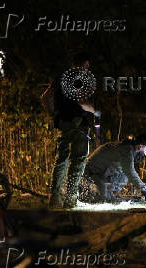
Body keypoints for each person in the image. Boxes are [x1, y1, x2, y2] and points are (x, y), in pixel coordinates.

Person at [47, 52, 101, 209]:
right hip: (78, 124)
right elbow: (81, 101)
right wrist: (95, 110)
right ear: (84, 64)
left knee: (61, 159)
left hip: (63, 124)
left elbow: (46, 98)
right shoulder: (79, 78)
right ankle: (71, 199)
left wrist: (55, 115)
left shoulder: (59, 79)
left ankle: (54, 197)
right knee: (78, 161)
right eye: (87, 66)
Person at [81, 135, 146, 203]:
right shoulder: (127, 150)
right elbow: (130, 172)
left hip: (101, 173)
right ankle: (96, 194)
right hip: (93, 174)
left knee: (123, 176)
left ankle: (108, 194)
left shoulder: (126, 148)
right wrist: (144, 189)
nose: (145, 154)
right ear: (140, 146)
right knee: (105, 201)